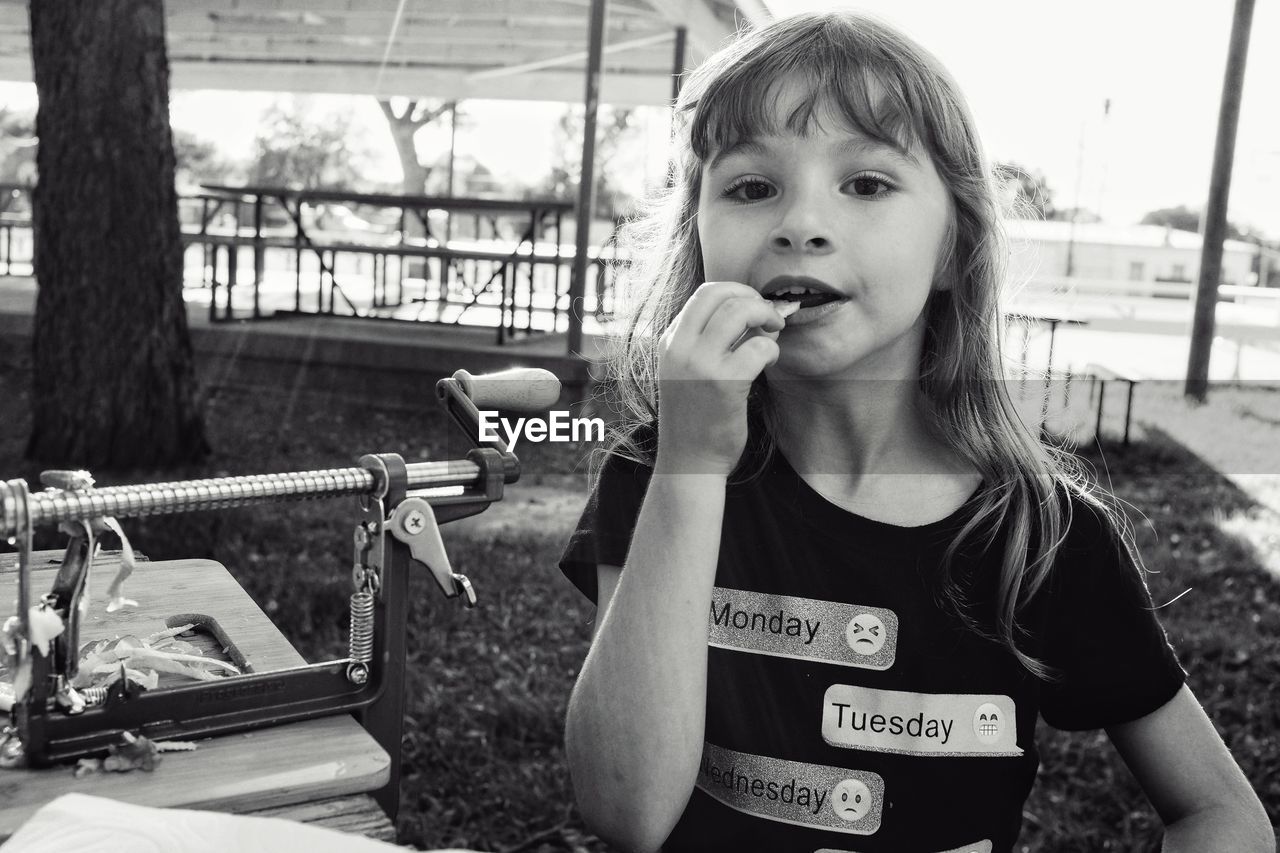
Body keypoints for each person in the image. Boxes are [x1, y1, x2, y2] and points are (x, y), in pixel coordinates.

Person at [557, 11, 1272, 853]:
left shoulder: (1044, 538)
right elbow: (623, 810)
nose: (800, 224)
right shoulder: (658, 474)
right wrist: (691, 468)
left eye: (865, 183)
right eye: (752, 186)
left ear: (950, 250)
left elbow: (1223, 814)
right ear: (699, 237)